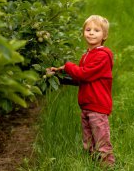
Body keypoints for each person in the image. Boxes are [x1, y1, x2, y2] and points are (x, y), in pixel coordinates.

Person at [49, 15, 115, 167]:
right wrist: (59, 77)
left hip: (98, 106)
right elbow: (81, 79)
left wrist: (67, 66)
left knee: (101, 141)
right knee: (88, 142)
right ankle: (90, 165)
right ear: (83, 32)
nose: (91, 33)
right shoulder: (87, 55)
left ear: (104, 35)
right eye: (88, 29)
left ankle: (108, 166)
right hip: (86, 106)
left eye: (96, 30)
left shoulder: (103, 56)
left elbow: (83, 73)